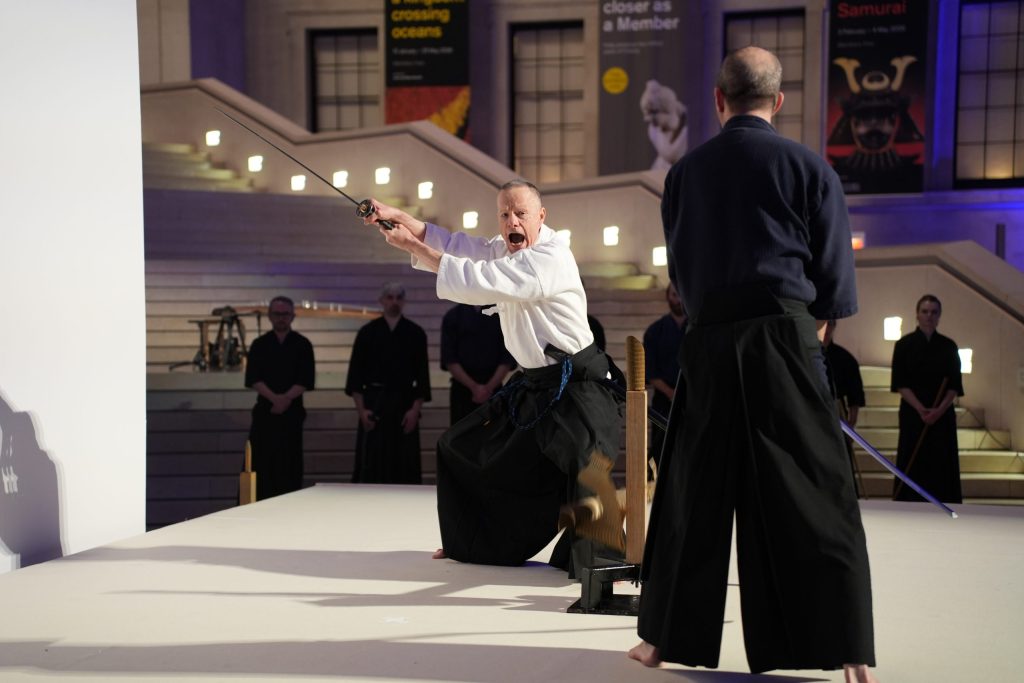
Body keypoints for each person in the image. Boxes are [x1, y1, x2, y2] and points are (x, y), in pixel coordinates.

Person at [629, 47, 878, 682]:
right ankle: (850, 653)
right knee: (816, 493)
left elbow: (682, 277)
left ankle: (660, 640)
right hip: (788, 340)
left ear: (718, 101)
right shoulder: (810, 168)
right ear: (779, 101)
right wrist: (801, 337)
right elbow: (832, 286)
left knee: (692, 492)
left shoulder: (683, 175)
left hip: (710, 343)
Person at [360, 179, 625, 572]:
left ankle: (601, 565)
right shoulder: (503, 249)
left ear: (541, 216)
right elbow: (455, 246)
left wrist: (414, 248)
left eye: (520, 213)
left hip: (578, 384)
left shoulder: (550, 256)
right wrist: (398, 218)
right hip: (534, 385)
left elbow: (483, 280)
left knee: (589, 465)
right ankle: (472, 544)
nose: (511, 220)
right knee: (459, 446)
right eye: (504, 214)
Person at [345, 282, 431, 484]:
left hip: (405, 405)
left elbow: (422, 377)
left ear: (404, 302)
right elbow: (355, 377)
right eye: (390, 297)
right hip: (374, 403)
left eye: (399, 298)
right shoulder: (367, 333)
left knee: (405, 463)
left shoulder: (415, 333)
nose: (394, 302)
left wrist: (414, 410)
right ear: (382, 301)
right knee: (371, 462)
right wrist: (361, 411)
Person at [890, 295, 963, 504]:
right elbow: (900, 383)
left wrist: (937, 411)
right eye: (925, 311)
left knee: (941, 461)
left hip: (941, 416)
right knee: (912, 459)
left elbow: (954, 386)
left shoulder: (949, 346)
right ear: (917, 314)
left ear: (939, 316)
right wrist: (921, 409)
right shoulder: (903, 345)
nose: (929, 316)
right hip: (914, 413)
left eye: (933, 312)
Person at [244, 296, 315, 500]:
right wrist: (275, 399)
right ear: (269, 316)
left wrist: (284, 400)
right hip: (265, 413)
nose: (281, 318)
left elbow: (305, 380)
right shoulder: (259, 344)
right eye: (277, 314)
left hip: (291, 414)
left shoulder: (303, 344)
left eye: (285, 314)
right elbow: (253, 378)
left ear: (293, 316)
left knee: (289, 464)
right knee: (262, 465)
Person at [440, 303, 516, 425]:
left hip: (494, 389)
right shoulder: (453, 316)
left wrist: (488, 388)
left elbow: (506, 358)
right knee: (461, 438)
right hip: (463, 390)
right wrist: (474, 387)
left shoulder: (501, 315)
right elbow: (449, 359)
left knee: (494, 437)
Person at [642, 284, 686, 464]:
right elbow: (650, 371)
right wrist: (671, 393)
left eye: (681, 295)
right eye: (674, 295)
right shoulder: (654, 331)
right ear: (668, 297)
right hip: (663, 401)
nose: (678, 300)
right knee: (662, 451)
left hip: (693, 399)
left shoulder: (697, 329)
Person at [823, 319, 868, 497]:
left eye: (830, 324)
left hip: (838, 417)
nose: (827, 328)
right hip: (814, 417)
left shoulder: (845, 359)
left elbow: (855, 396)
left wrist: (851, 424)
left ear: (834, 326)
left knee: (842, 464)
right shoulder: (806, 354)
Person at [640, 79, 689, 171]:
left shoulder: (685, 127)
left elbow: (673, 156)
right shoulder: (654, 129)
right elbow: (670, 155)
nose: (651, 120)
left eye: (654, 113)